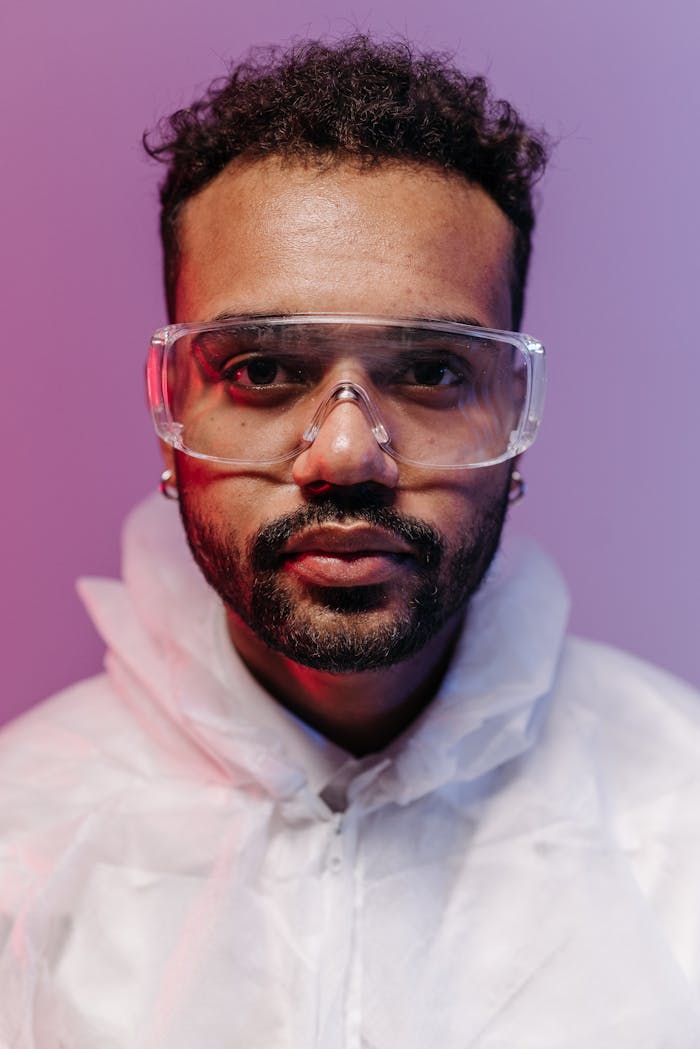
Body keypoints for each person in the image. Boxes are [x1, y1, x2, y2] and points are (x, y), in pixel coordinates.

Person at [2, 36, 700, 1048]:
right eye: (259, 368)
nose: (344, 454)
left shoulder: (681, 817)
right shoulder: (22, 843)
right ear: (171, 412)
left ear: (515, 416)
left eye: (431, 370)